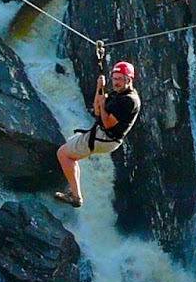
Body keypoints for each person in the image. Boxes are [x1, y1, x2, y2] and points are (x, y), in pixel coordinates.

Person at [55, 59, 140, 207]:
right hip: (104, 137)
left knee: (63, 153)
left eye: (120, 79)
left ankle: (76, 196)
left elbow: (107, 123)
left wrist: (102, 103)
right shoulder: (117, 94)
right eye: (115, 78)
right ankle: (75, 192)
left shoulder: (129, 100)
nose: (116, 82)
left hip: (104, 137)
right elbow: (97, 111)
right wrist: (99, 88)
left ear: (129, 79)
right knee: (70, 148)